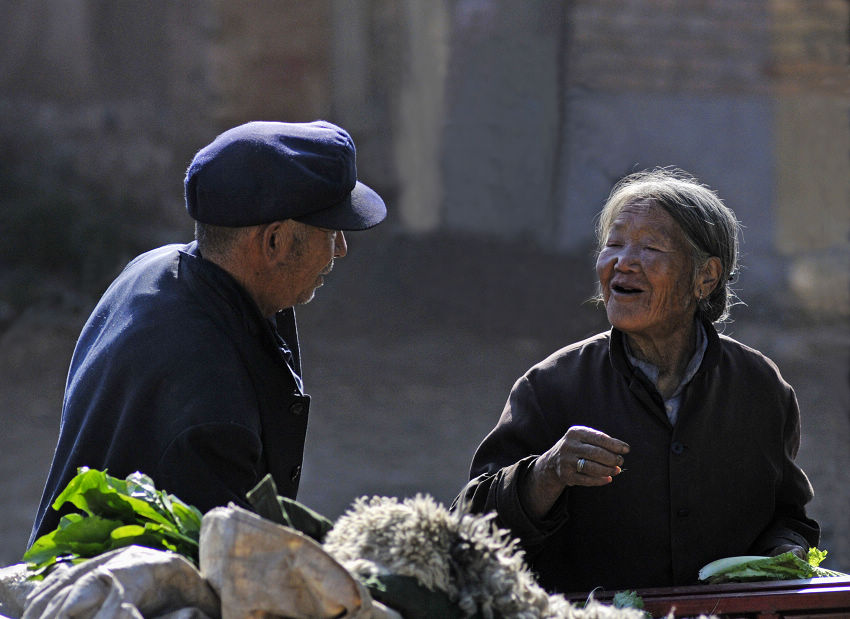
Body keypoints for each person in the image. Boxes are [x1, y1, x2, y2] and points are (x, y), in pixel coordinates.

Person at [452, 168, 819, 593]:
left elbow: (789, 516)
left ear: (706, 277)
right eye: (614, 244)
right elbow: (467, 529)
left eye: (650, 247)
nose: (622, 262)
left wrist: (784, 552)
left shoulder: (759, 390)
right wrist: (547, 473)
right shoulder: (553, 386)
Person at [29, 120, 387, 546]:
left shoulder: (153, 269)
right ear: (273, 243)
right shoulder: (214, 400)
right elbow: (224, 573)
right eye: (329, 232)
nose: (342, 249)